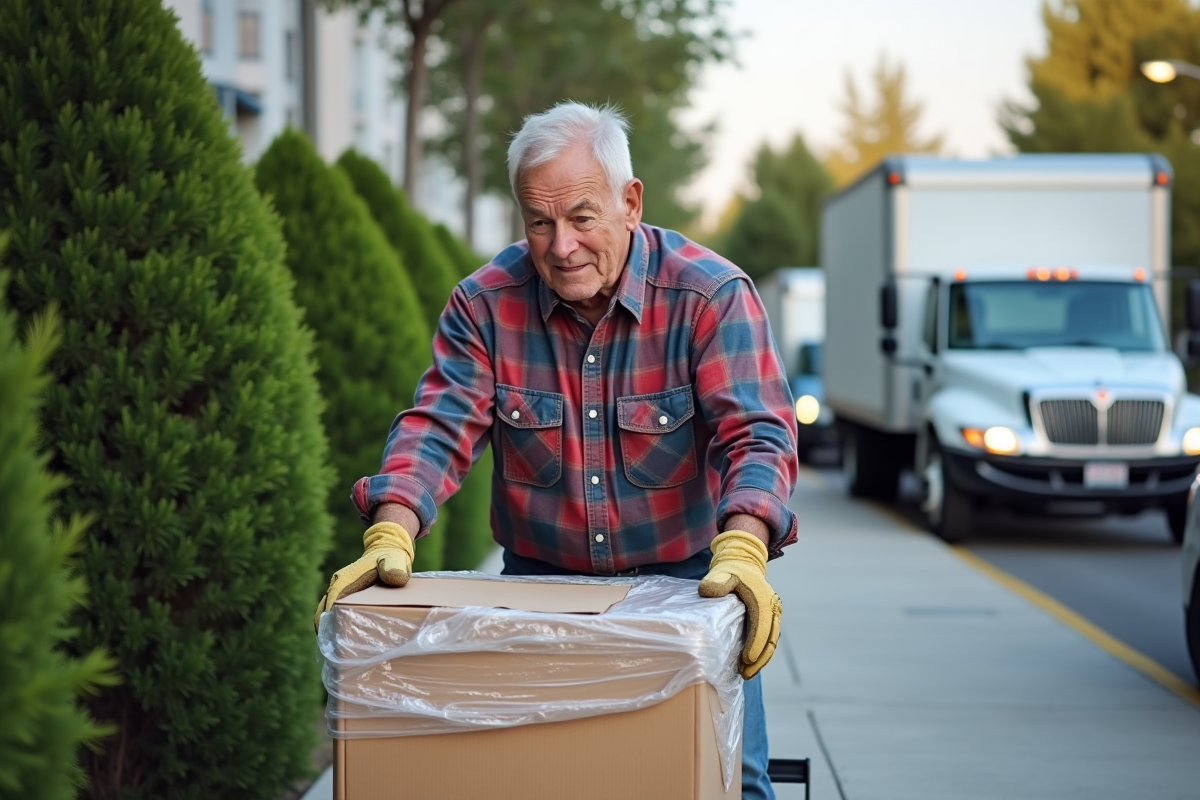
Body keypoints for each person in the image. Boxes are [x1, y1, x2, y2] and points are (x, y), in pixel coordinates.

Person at [314, 101, 799, 799]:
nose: (561, 246)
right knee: (544, 779)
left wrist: (746, 548)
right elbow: (440, 424)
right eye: (539, 223)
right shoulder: (485, 305)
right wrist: (392, 527)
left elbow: (755, 432)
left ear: (630, 203)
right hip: (540, 592)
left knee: (730, 780)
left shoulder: (709, 296)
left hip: (692, 588)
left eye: (580, 217)